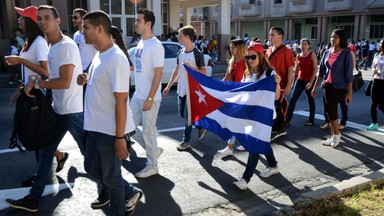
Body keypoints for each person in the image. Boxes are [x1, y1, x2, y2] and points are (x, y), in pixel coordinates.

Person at [5, 5, 84, 212]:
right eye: (39, 18)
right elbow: (51, 76)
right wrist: (31, 81)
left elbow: (65, 82)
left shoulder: (66, 46)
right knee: (45, 151)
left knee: (92, 158)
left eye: (47, 17)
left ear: (58, 21)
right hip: (58, 108)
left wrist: (37, 83)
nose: (43, 21)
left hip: (72, 112)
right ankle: (34, 198)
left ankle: (126, 191)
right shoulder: (51, 46)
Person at [78, 10, 143, 216]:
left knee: (111, 177)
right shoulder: (99, 53)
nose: (82, 31)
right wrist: (84, 77)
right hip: (95, 126)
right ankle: (131, 192)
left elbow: (121, 100)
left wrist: (119, 137)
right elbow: (99, 80)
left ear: (99, 29)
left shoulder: (116, 58)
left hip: (110, 130)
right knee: (91, 167)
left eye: (85, 27)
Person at [5, 6, 69, 185]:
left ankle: (42, 174)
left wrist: (20, 60)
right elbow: (27, 71)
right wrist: (19, 88)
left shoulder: (39, 41)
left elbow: (45, 70)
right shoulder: (29, 41)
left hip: (38, 94)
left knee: (37, 135)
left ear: (30, 21)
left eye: (23, 17)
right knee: (36, 135)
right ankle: (50, 164)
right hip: (28, 91)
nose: (19, 20)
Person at [233, 44, 282, 190]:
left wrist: (278, 84)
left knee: (254, 144)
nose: (250, 59)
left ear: (261, 56)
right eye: (247, 57)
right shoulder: (247, 73)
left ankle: (245, 179)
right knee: (263, 142)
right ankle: (273, 166)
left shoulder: (269, 74)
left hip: (264, 116)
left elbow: (277, 97)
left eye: (253, 57)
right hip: (251, 115)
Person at [130, 8, 164, 179]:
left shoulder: (156, 46)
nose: (135, 23)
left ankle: (152, 165)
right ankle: (154, 149)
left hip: (150, 98)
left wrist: (150, 98)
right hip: (137, 96)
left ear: (148, 24)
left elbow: (158, 74)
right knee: (127, 128)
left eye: (138, 20)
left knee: (149, 132)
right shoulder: (141, 43)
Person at [162, 25, 207, 151]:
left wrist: (190, 68)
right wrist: (168, 86)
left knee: (188, 116)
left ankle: (186, 141)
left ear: (187, 37)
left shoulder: (197, 54)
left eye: (180, 36)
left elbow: (203, 72)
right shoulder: (180, 53)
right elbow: (176, 70)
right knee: (182, 114)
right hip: (181, 89)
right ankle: (200, 126)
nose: (178, 38)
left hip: (193, 91)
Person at [311, 28, 353, 148]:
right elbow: (321, 72)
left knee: (330, 108)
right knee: (330, 111)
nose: (333, 39)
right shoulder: (327, 52)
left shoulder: (346, 54)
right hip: (327, 85)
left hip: (340, 86)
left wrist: (349, 93)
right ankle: (332, 136)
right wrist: (314, 87)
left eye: (336, 37)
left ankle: (337, 134)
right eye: (332, 37)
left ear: (341, 39)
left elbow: (349, 75)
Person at [218, 38, 247, 156]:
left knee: (236, 121)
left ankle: (231, 147)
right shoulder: (231, 61)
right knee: (238, 121)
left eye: (233, 47)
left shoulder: (246, 61)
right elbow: (226, 78)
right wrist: (216, 86)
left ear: (239, 48)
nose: (231, 49)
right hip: (234, 95)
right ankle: (239, 144)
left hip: (244, 95)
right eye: (230, 47)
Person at [265, 27, 294, 141]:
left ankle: (278, 129)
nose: (270, 37)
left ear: (280, 36)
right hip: (269, 83)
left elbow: (290, 69)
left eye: (272, 35)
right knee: (272, 106)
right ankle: (277, 127)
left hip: (280, 84)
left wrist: (288, 85)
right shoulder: (268, 50)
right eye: (270, 35)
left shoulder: (287, 51)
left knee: (277, 106)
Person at [287, 38, 318, 126]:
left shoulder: (312, 55)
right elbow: (296, 69)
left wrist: (311, 82)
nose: (303, 45)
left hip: (309, 81)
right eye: (301, 44)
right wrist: (293, 82)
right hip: (300, 80)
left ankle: (311, 120)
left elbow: (315, 69)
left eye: (305, 44)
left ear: (309, 45)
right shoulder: (298, 56)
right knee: (293, 99)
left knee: (310, 100)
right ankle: (288, 119)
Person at [72, 8, 97, 72]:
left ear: (82, 18)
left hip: (89, 69)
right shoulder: (76, 35)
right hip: (79, 69)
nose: (73, 20)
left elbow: (99, 50)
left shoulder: (90, 33)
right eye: (72, 17)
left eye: (75, 17)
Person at [366, 39, 384, 131]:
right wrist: (374, 71)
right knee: (373, 103)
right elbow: (373, 66)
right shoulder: (377, 55)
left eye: (380, 44)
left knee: (381, 104)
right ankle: (374, 123)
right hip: (376, 80)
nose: (378, 45)